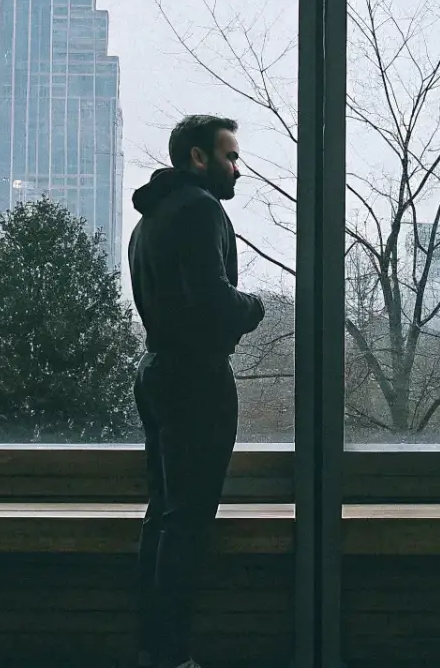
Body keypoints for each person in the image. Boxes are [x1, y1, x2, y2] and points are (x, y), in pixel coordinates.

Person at [127, 114, 266, 668]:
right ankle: (173, 655)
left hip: (157, 371)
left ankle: (154, 648)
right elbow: (214, 299)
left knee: (163, 513)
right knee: (187, 523)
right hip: (196, 378)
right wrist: (255, 307)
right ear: (198, 157)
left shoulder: (150, 218)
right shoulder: (201, 209)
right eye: (230, 156)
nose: (238, 168)